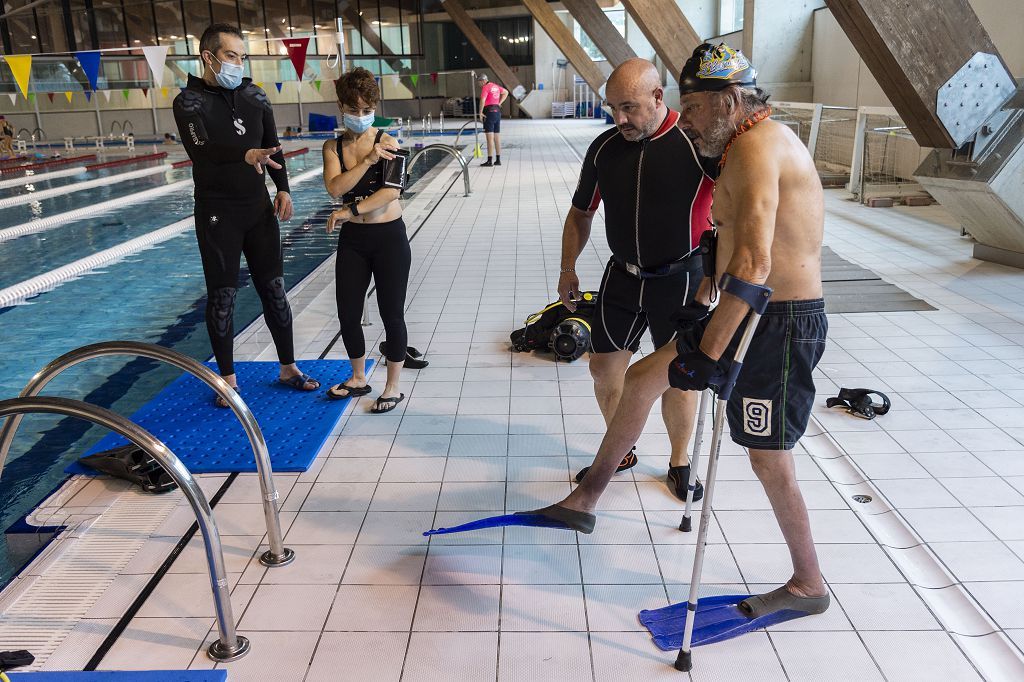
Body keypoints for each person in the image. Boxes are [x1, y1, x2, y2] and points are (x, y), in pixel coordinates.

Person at [541, 43, 830, 619]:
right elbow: (728, 240)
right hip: (747, 312)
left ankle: (808, 584)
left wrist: (710, 352)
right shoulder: (737, 146)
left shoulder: (755, 148)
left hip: (777, 325)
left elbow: (754, 266)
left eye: (693, 107)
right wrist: (705, 298)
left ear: (728, 100)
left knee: (768, 457)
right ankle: (589, 494)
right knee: (645, 377)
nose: (687, 118)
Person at [557, 58, 715, 501]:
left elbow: (737, 209)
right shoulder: (605, 148)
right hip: (623, 276)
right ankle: (620, 447)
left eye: (628, 107)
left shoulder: (696, 144)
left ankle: (679, 461)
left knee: (677, 377)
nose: (619, 118)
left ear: (658, 97)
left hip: (682, 278)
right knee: (603, 368)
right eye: (612, 108)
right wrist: (568, 267)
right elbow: (580, 213)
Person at [172, 22, 319, 406]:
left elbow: (272, 147)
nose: (239, 63)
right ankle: (228, 379)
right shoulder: (189, 102)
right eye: (231, 56)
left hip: (258, 209)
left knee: (274, 289)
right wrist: (244, 154)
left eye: (242, 56)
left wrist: (283, 187)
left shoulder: (255, 96)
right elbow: (201, 150)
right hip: (218, 212)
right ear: (209, 57)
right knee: (223, 296)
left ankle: (288, 368)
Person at [321, 67, 410, 414]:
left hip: (389, 236)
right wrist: (369, 160)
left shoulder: (389, 141)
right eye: (353, 110)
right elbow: (334, 188)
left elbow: (390, 193)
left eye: (366, 109)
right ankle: (358, 377)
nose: (360, 116)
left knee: (392, 314)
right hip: (354, 241)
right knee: (348, 313)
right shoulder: (333, 147)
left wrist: (349, 210)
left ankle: (393, 386)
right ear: (342, 107)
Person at [477, 74, 507, 167]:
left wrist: (480, 112)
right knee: (497, 137)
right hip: (497, 112)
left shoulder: (486, 87)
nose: (479, 84)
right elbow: (506, 92)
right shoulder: (495, 86)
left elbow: (482, 100)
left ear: (483, 81)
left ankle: (489, 161)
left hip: (489, 113)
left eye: (479, 82)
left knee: (489, 138)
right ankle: (498, 160)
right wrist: (499, 103)